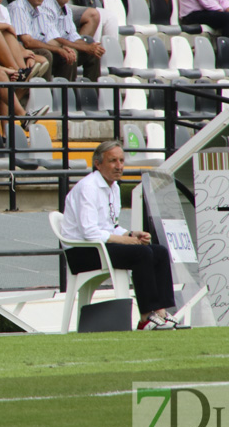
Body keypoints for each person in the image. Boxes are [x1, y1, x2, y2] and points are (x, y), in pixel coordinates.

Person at [60, 140, 181, 331]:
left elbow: (110, 226)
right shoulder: (88, 188)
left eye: (122, 161)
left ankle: (161, 312)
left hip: (100, 247)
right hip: (82, 252)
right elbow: (89, 232)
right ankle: (145, 318)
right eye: (113, 161)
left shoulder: (113, 187)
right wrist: (127, 241)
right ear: (98, 164)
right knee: (142, 254)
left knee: (158, 251)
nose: (119, 166)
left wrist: (131, 234)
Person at [41, 0, 103, 80]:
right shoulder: (45, 6)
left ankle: (91, 92)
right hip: (48, 48)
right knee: (71, 53)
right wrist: (86, 48)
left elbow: (73, 36)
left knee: (92, 49)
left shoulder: (66, 9)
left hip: (61, 46)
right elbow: (54, 38)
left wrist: (91, 48)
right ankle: (65, 94)